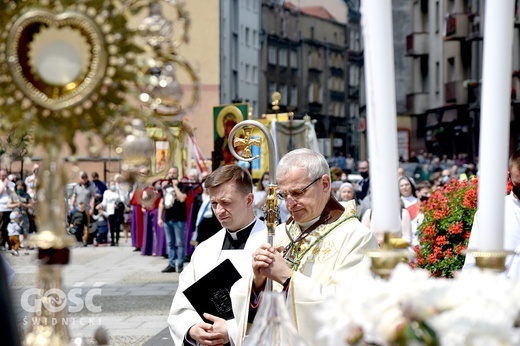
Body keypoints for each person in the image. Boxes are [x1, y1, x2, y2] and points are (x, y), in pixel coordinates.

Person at [231, 148, 379, 345]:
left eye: (298, 192)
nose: (290, 203)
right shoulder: (278, 234)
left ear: (325, 183)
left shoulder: (357, 237)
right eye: (284, 195)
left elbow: (352, 308)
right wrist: (257, 281)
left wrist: (286, 277)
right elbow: (244, 305)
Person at [167, 164, 266, 346]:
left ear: (249, 200)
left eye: (226, 203)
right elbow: (181, 305)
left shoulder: (271, 243)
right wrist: (192, 328)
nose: (219, 211)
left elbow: (282, 306)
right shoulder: (205, 249)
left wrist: (232, 331)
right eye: (214, 204)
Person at [463, 149, 520, 278]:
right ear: (509, 177)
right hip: (502, 291)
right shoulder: (490, 213)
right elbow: (472, 262)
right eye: (519, 184)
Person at [158, 167, 188, 273]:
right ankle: (171, 264)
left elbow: (182, 198)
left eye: (174, 173)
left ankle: (180, 264)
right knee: (170, 243)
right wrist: (159, 218)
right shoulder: (165, 187)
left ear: (177, 174)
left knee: (180, 243)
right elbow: (161, 203)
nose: (171, 175)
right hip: (167, 218)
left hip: (179, 219)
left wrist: (175, 187)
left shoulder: (182, 186)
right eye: (170, 173)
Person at [70, 171, 96, 246]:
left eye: (85, 178)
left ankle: (84, 239)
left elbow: (92, 198)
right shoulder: (77, 186)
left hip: (86, 208)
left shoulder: (91, 186)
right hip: (77, 208)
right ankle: (75, 238)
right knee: (73, 224)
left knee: (86, 225)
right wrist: (71, 205)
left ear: (87, 178)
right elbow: (74, 196)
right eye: (82, 178)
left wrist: (92, 208)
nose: (84, 180)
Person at [7, 181, 33, 255]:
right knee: (15, 234)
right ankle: (15, 249)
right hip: (15, 218)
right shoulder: (13, 195)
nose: (20, 189)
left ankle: (26, 249)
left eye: (21, 188)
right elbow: (8, 205)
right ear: (16, 187)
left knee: (25, 233)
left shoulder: (26, 195)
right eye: (18, 187)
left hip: (24, 216)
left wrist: (24, 205)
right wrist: (16, 204)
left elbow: (31, 205)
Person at [99, 180, 122, 246]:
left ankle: (117, 240)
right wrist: (100, 206)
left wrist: (117, 205)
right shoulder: (106, 192)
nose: (113, 185)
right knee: (111, 226)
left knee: (117, 226)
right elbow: (104, 202)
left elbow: (121, 200)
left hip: (117, 210)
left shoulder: (118, 191)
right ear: (109, 185)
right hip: (110, 211)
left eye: (114, 184)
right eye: (111, 184)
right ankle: (112, 240)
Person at [0, 169, 14, 251]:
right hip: (1, 208)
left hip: (9, 208)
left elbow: (13, 196)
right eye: (2, 175)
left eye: (5, 175)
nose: (3, 177)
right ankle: (1, 244)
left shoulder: (12, 184)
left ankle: (10, 244)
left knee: (10, 227)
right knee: (1, 227)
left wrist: (7, 186)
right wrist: (3, 186)